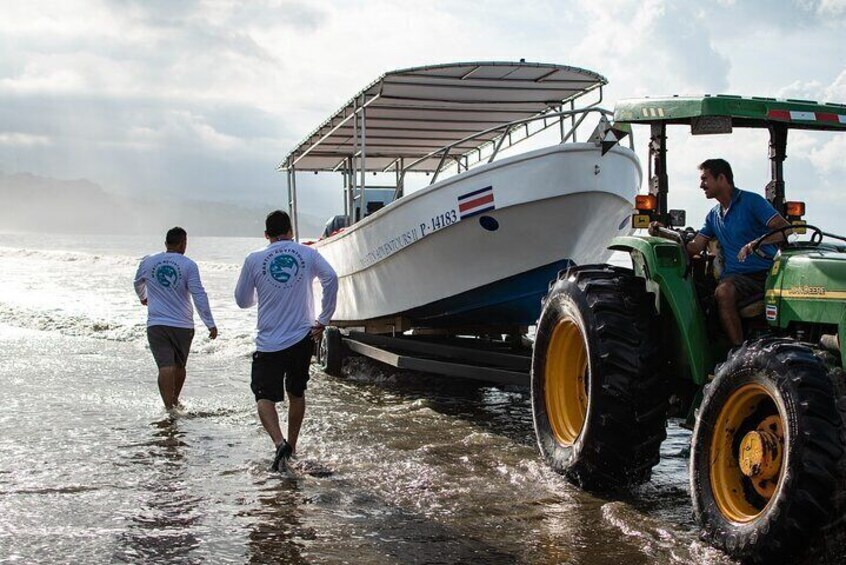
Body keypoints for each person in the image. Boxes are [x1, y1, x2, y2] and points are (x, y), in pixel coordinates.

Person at [235, 210, 338, 471]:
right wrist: (323, 319)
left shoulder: (254, 259)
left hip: (269, 341)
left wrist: (263, 294)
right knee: (296, 392)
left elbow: (242, 300)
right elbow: (331, 278)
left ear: (266, 235)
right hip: (301, 337)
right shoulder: (307, 253)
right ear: (291, 231)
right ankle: (292, 444)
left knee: (263, 397)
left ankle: (279, 442)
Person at [649, 158, 791, 346]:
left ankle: (742, 353)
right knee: (723, 291)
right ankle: (738, 352)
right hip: (736, 278)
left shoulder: (752, 201)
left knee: (724, 291)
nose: (701, 185)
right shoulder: (713, 216)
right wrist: (665, 233)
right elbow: (694, 248)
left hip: (767, 275)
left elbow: (786, 230)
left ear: (721, 178)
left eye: (705, 179)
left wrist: (757, 243)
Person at [134, 227, 218, 410]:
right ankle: (173, 401)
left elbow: (137, 282)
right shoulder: (188, 265)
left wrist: (143, 297)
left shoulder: (148, 262)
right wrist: (210, 323)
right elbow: (199, 295)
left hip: (156, 324)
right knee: (179, 366)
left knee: (165, 366)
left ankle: (168, 407)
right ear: (183, 243)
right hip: (182, 324)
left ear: (166, 243)